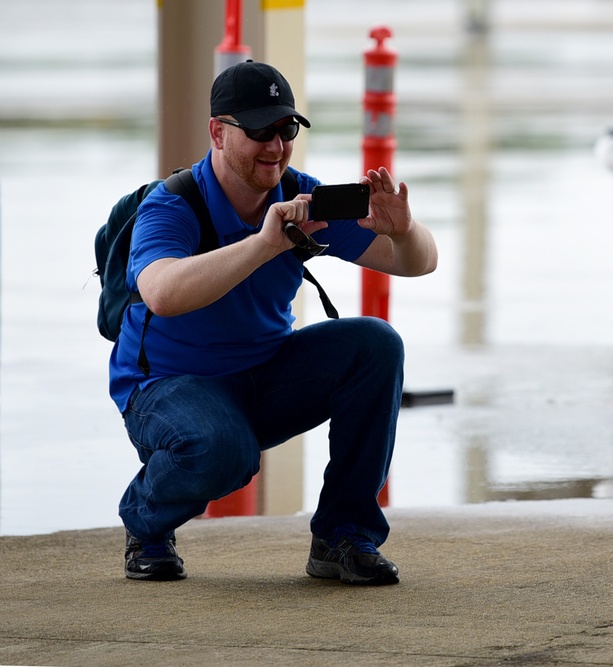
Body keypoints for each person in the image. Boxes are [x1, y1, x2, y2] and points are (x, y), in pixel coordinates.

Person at [111, 60, 437, 585]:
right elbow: (162, 293)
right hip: (166, 388)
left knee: (375, 344)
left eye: (286, 130)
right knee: (223, 451)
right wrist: (263, 245)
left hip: (264, 377)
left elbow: (418, 262)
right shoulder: (172, 205)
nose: (276, 146)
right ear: (218, 132)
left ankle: (342, 537)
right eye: (259, 130)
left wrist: (404, 231)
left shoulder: (301, 196)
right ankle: (146, 523)